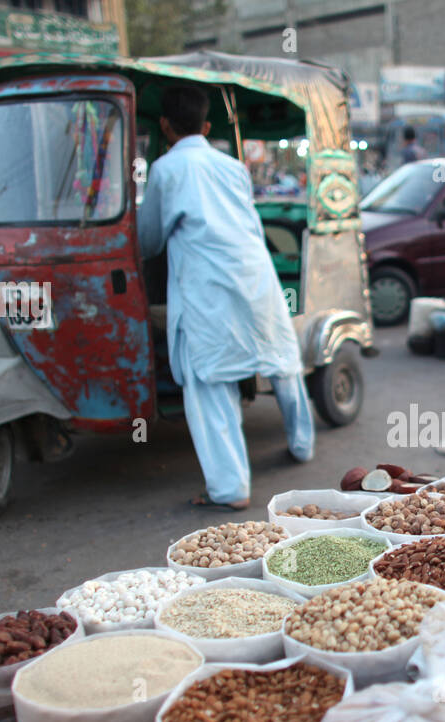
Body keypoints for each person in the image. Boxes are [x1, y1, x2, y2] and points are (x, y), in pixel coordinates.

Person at [138, 85, 315, 510]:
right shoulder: (233, 167)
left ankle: (230, 489)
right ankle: (302, 444)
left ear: (164, 125)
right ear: (208, 125)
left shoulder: (165, 170)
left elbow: (148, 239)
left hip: (207, 288)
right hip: (254, 275)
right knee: (280, 360)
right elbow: (250, 223)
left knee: (208, 380)